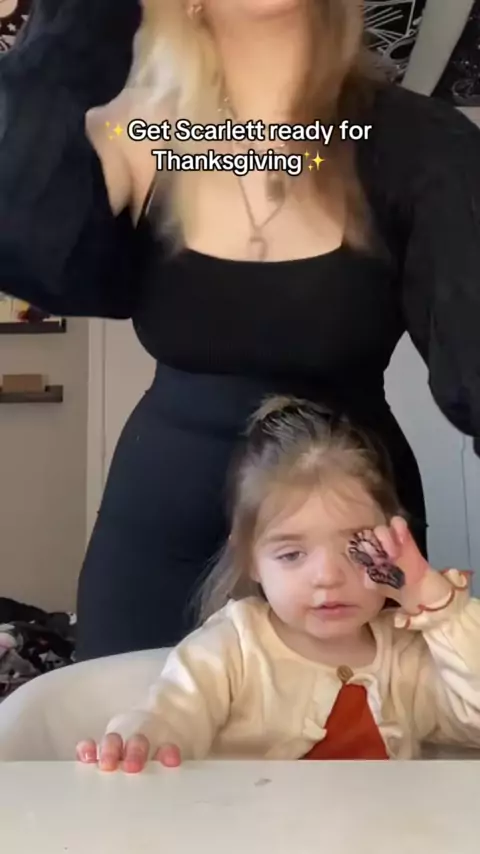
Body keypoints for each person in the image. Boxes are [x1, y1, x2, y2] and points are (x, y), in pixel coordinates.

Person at [0, 0, 479, 662]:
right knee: (131, 723)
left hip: (351, 546)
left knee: (356, 727)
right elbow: (30, 248)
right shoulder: (136, 132)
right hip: (158, 551)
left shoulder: (423, 144)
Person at [75, 396, 480, 770]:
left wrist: (429, 595)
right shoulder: (233, 646)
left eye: (357, 547)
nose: (328, 577)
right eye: (291, 555)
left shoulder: (408, 654)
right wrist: (142, 738)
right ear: (251, 558)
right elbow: (172, 715)